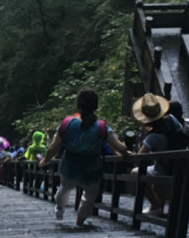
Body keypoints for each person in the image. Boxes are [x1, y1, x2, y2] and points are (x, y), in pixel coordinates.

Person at [42, 88, 128, 229]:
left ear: (78, 105)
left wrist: (45, 160)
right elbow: (120, 147)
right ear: (96, 106)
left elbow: (53, 147)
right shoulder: (101, 126)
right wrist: (126, 154)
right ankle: (80, 221)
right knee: (89, 196)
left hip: (69, 165)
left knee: (65, 187)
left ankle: (59, 207)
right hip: (92, 167)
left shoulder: (67, 123)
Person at [133, 92, 189, 217]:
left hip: (164, 169)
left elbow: (139, 158)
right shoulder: (172, 121)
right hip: (178, 167)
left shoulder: (153, 136)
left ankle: (156, 205)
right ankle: (159, 207)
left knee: (135, 172)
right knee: (156, 177)